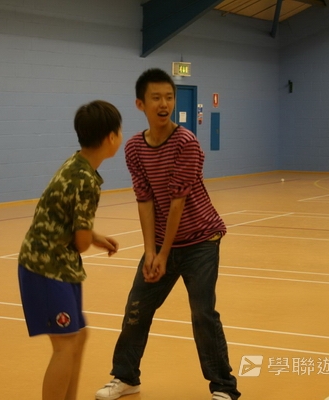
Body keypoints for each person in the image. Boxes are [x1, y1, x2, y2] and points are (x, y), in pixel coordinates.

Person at [95, 69, 240, 400]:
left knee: (202, 313)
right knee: (137, 307)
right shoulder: (135, 147)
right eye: (156, 98)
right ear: (140, 104)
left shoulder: (186, 143)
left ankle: (224, 387)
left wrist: (163, 253)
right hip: (162, 243)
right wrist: (151, 252)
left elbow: (177, 202)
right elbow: (145, 200)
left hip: (201, 240)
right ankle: (126, 377)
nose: (164, 104)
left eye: (169, 97)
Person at [18, 100, 123, 400]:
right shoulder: (86, 180)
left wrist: (94, 236)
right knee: (65, 344)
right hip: (45, 267)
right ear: (110, 138)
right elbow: (80, 241)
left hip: (59, 265)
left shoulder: (76, 164)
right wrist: (89, 238)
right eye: (120, 131)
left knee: (78, 335)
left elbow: (68, 222)